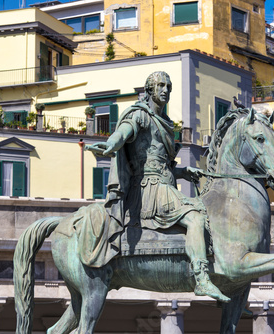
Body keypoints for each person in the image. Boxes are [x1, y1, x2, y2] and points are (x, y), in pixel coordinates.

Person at [89, 71, 230, 302]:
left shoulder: (165, 123)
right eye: (161, 86)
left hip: (166, 185)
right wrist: (111, 143)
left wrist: (184, 171)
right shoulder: (141, 116)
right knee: (195, 217)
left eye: (169, 87)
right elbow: (124, 131)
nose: (165, 90)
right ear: (150, 90)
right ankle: (202, 279)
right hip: (148, 189)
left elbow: (162, 164)